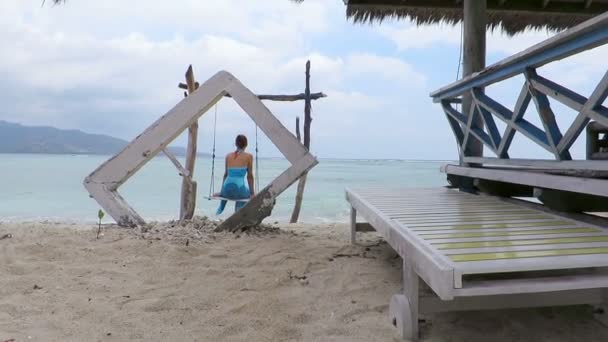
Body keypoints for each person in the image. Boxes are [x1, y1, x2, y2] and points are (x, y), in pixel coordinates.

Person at [215, 134, 255, 215]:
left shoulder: (228, 156)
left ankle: (221, 207)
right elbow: (250, 176)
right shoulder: (249, 156)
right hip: (239, 190)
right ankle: (237, 211)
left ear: (236, 144)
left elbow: (225, 175)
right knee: (245, 194)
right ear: (246, 145)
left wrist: (221, 192)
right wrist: (252, 194)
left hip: (226, 190)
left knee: (228, 186)